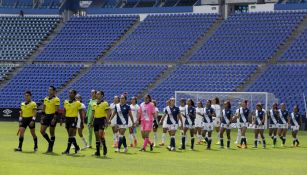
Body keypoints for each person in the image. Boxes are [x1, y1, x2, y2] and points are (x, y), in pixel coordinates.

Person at [62, 90, 83, 154]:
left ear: (74, 95)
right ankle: (77, 147)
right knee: (70, 136)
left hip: (74, 119)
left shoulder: (78, 103)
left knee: (70, 134)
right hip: (67, 119)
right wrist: (62, 118)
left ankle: (67, 150)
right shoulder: (66, 102)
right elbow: (64, 110)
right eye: (69, 93)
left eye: (71, 93)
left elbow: (80, 112)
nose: (70, 94)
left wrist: (82, 121)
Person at [90, 91, 109, 157]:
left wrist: (107, 121)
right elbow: (92, 114)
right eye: (96, 94)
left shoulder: (105, 103)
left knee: (101, 135)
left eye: (98, 94)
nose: (97, 95)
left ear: (102, 95)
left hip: (102, 120)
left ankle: (104, 148)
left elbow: (107, 113)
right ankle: (97, 152)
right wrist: (90, 122)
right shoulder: (94, 103)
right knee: (96, 136)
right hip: (96, 120)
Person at [40, 86, 60, 153]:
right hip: (46, 116)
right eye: (49, 90)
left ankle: (50, 148)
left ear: (54, 91)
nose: (49, 91)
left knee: (51, 132)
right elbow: (44, 108)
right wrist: (42, 117)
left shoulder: (56, 99)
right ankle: (50, 142)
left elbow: (57, 110)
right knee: (42, 131)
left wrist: (54, 119)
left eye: (51, 90)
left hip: (52, 116)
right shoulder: (46, 98)